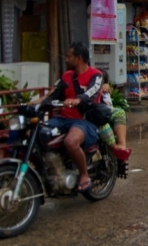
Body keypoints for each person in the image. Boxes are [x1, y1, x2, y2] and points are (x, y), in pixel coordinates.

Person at [41, 42, 103, 193]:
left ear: (79, 58)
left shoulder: (96, 75)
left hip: (84, 121)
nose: (66, 60)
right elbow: (55, 94)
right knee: (38, 132)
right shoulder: (66, 76)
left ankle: (83, 175)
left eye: (69, 56)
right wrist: (41, 103)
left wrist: (78, 100)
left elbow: (91, 93)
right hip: (63, 119)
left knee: (71, 141)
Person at [97, 70, 130, 159]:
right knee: (103, 125)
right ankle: (115, 147)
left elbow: (108, 103)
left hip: (105, 112)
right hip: (94, 114)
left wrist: (105, 91)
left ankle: (122, 145)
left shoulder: (105, 89)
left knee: (119, 112)